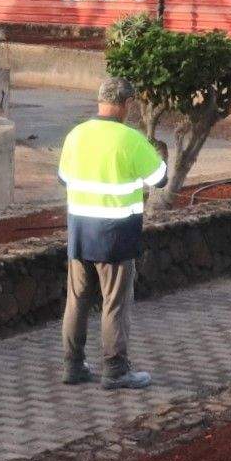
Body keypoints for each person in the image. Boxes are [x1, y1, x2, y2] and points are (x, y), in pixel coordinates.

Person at [55, 77, 166, 390]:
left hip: (80, 232)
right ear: (127, 105)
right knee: (114, 303)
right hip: (116, 234)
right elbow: (160, 177)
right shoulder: (129, 139)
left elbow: (64, 178)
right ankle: (115, 369)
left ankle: (73, 365)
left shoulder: (76, 135)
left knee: (77, 300)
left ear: (100, 100)